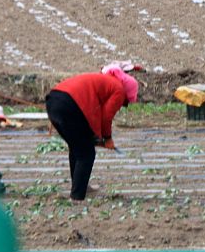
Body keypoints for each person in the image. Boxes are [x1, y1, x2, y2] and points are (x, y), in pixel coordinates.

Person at [45, 64, 140, 201]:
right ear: (128, 92)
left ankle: (80, 187)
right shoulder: (119, 90)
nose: (122, 104)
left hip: (54, 101)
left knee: (77, 148)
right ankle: (77, 196)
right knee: (86, 154)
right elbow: (106, 116)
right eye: (125, 102)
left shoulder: (106, 82)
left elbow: (95, 112)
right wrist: (107, 138)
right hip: (69, 104)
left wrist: (96, 138)